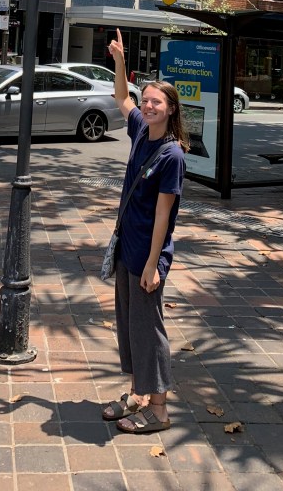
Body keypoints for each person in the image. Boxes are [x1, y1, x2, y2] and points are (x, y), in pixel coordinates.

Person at [101, 28, 188, 434]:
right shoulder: (140, 130)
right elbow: (123, 98)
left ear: (171, 110)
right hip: (127, 246)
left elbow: (164, 217)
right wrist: (120, 62)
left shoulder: (172, 155)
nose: (148, 106)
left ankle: (160, 409)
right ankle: (138, 393)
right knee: (130, 325)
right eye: (147, 100)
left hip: (147, 255)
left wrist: (153, 265)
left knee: (149, 330)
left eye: (157, 102)